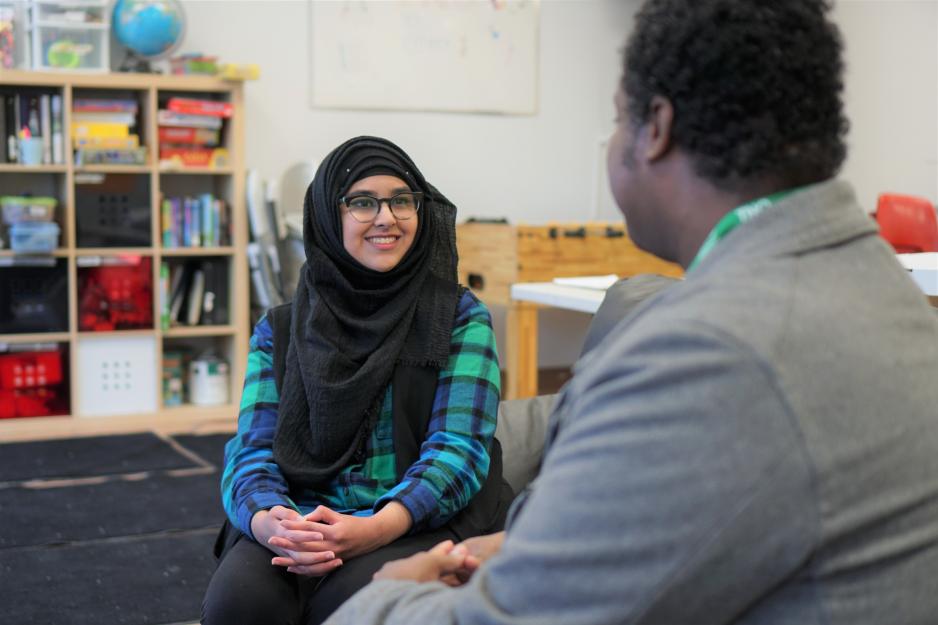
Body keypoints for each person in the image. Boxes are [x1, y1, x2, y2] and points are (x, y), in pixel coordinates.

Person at [323, 1, 938, 624]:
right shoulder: (887, 297)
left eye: (617, 120)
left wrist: (391, 589)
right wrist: (533, 547)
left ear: (657, 129)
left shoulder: (703, 355)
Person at [201, 136, 510, 625]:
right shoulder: (280, 329)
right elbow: (251, 449)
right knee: (238, 605)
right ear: (329, 214)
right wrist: (270, 521)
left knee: (348, 607)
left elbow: (458, 449)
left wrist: (375, 528)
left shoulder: (457, 317)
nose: (386, 217)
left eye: (401, 199)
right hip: (297, 519)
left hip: (412, 518)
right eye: (362, 202)